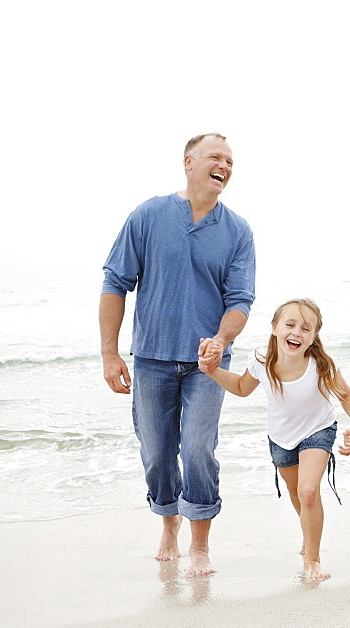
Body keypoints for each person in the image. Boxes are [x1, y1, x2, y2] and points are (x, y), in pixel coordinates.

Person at [100, 133, 255, 576]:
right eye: (215, 157)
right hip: (152, 358)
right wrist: (110, 355)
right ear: (189, 163)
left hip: (210, 364)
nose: (224, 165)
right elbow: (115, 283)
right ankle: (168, 523)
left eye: (230, 160)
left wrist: (221, 341)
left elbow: (240, 299)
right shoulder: (148, 215)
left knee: (201, 448)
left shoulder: (238, 230)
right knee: (156, 452)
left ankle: (200, 542)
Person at [198, 299, 350, 582]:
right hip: (281, 438)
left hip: (318, 430)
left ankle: (312, 559)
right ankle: (308, 531)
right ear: (275, 327)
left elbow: (346, 395)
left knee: (308, 491)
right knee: (295, 492)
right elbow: (241, 388)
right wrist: (212, 370)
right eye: (290, 324)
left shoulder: (321, 364)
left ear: (313, 337)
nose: (297, 332)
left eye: (306, 328)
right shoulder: (262, 361)